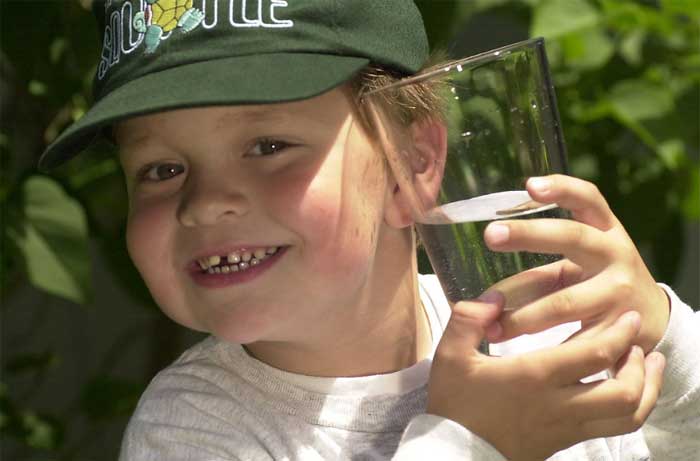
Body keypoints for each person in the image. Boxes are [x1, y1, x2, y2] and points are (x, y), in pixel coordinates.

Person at [40, 1, 699, 459]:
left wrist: (663, 336)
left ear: (409, 165)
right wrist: (473, 443)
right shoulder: (195, 429)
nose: (204, 203)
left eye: (268, 145)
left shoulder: (539, 323)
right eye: (161, 167)